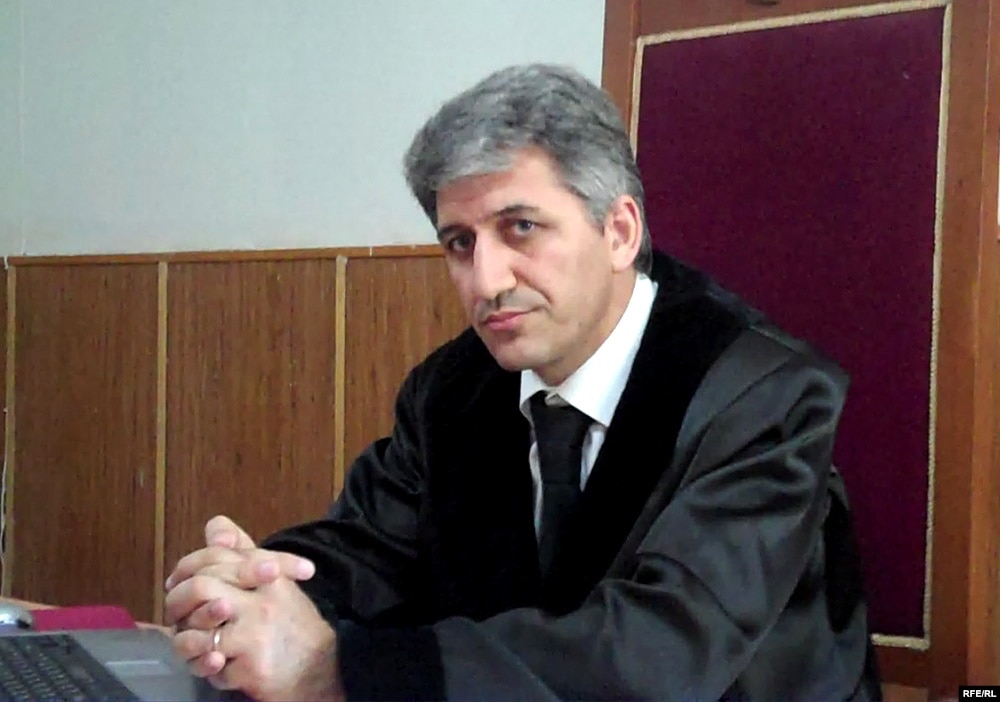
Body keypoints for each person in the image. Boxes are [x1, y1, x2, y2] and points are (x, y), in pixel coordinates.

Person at [163, 63, 881, 701]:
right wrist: (252, 592)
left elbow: (659, 655)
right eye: (460, 243)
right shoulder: (451, 390)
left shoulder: (764, 397)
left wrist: (337, 669)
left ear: (620, 232)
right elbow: (369, 553)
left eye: (521, 228)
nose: (486, 281)